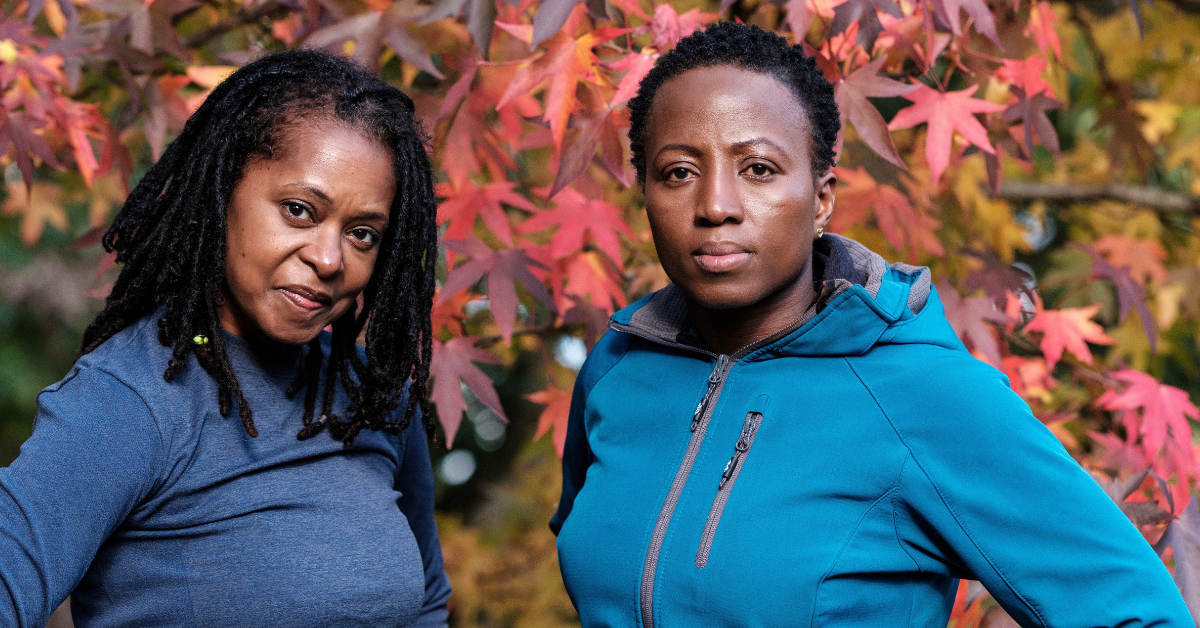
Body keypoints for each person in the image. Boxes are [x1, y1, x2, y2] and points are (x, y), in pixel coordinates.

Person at [550, 22, 1191, 627]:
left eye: (760, 169)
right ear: (646, 195)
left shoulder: (929, 396)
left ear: (822, 197)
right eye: (679, 173)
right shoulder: (617, 367)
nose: (716, 206)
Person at [0, 50, 451, 627]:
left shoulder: (375, 399)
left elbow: (427, 604)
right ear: (223, 191)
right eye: (299, 210)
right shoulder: (131, 400)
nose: (329, 257)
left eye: (363, 234)